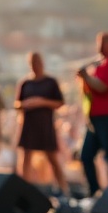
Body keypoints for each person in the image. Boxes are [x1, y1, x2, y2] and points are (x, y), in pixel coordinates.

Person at [77, 31, 108, 197]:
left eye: (104, 43)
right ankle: (94, 191)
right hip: (96, 118)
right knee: (86, 156)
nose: (100, 47)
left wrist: (86, 76)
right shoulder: (101, 64)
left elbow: (101, 86)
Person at [15, 51, 70, 195]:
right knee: (26, 157)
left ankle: (64, 190)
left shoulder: (50, 82)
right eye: (33, 63)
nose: (35, 66)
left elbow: (60, 102)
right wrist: (26, 104)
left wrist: (41, 102)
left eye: (37, 63)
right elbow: (17, 104)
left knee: (52, 157)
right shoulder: (25, 83)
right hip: (29, 125)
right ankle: (24, 190)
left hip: (45, 125)